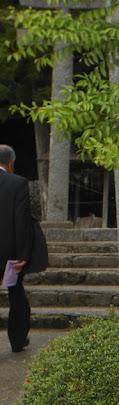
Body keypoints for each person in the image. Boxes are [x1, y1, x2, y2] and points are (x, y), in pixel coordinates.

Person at [0, 144, 33, 352]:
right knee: (16, 296)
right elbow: (21, 221)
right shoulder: (18, 183)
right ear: (10, 163)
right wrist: (23, 255)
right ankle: (17, 340)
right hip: (9, 253)